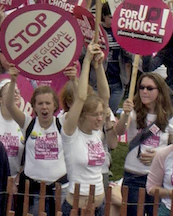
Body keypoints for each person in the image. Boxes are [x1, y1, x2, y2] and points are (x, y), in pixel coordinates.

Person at [61, 43, 117, 216]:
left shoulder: (97, 132)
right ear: (82, 116)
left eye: (101, 114)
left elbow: (105, 96)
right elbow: (80, 98)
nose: (100, 118)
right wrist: (86, 62)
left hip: (98, 207)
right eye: (95, 115)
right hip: (76, 208)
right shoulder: (71, 133)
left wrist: (98, 66)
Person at [4, 68, 68, 216]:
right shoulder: (28, 123)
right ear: (34, 106)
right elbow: (10, 105)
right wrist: (13, 81)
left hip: (59, 189)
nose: (44, 107)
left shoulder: (63, 123)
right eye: (40, 103)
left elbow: (80, 104)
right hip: (33, 190)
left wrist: (74, 81)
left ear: (55, 105)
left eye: (48, 103)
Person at [113, 72, 173, 216]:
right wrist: (125, 115)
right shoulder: (133, 112)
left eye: (149, 88)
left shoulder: (169, 118)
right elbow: (119, 131)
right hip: (133, 175)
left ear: (159, 91)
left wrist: (159, 155)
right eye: (141, 87)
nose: (144, 91)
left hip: (156, 177)